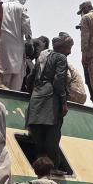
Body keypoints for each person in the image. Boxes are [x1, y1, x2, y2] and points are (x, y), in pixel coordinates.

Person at [25, 33, 72, 175]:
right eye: (69, 48)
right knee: (52, 137)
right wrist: (63, 102)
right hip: (50, 101)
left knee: (38, 139)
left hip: (36, 99)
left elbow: (30, 78)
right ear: (63, 47)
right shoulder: (61, 58)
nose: (70, 52)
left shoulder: (41, 58)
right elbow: (59, 81)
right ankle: (54, 167)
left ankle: (40, 168)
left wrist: (33, 94)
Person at [0, 0, 31, 91]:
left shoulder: (1, 7)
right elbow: (26, 24)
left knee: (3, 69)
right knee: (17, 71)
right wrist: (29, 39)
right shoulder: (21, 8)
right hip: (16, 44)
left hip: (1, 43)